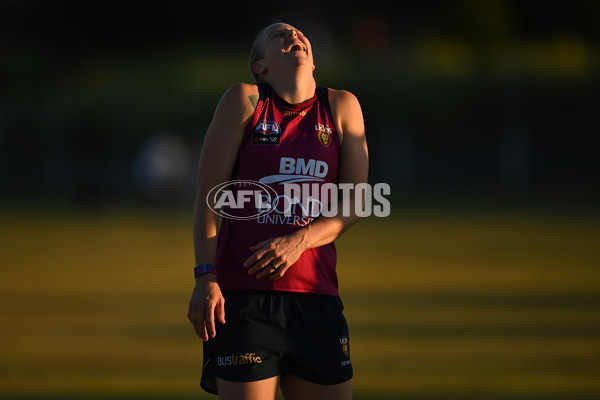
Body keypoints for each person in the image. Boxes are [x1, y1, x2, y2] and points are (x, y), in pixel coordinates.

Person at [187, 22, 368, 400]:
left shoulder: (342, 105)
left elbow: (355, 203)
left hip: (317, 298)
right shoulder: (245, 100)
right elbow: (209, 195)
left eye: (300, 34)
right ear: (260, 66)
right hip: (245, 300)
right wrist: (205, 277)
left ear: (314, 62)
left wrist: (299, 241)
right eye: (278, 36)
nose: (294, 36)